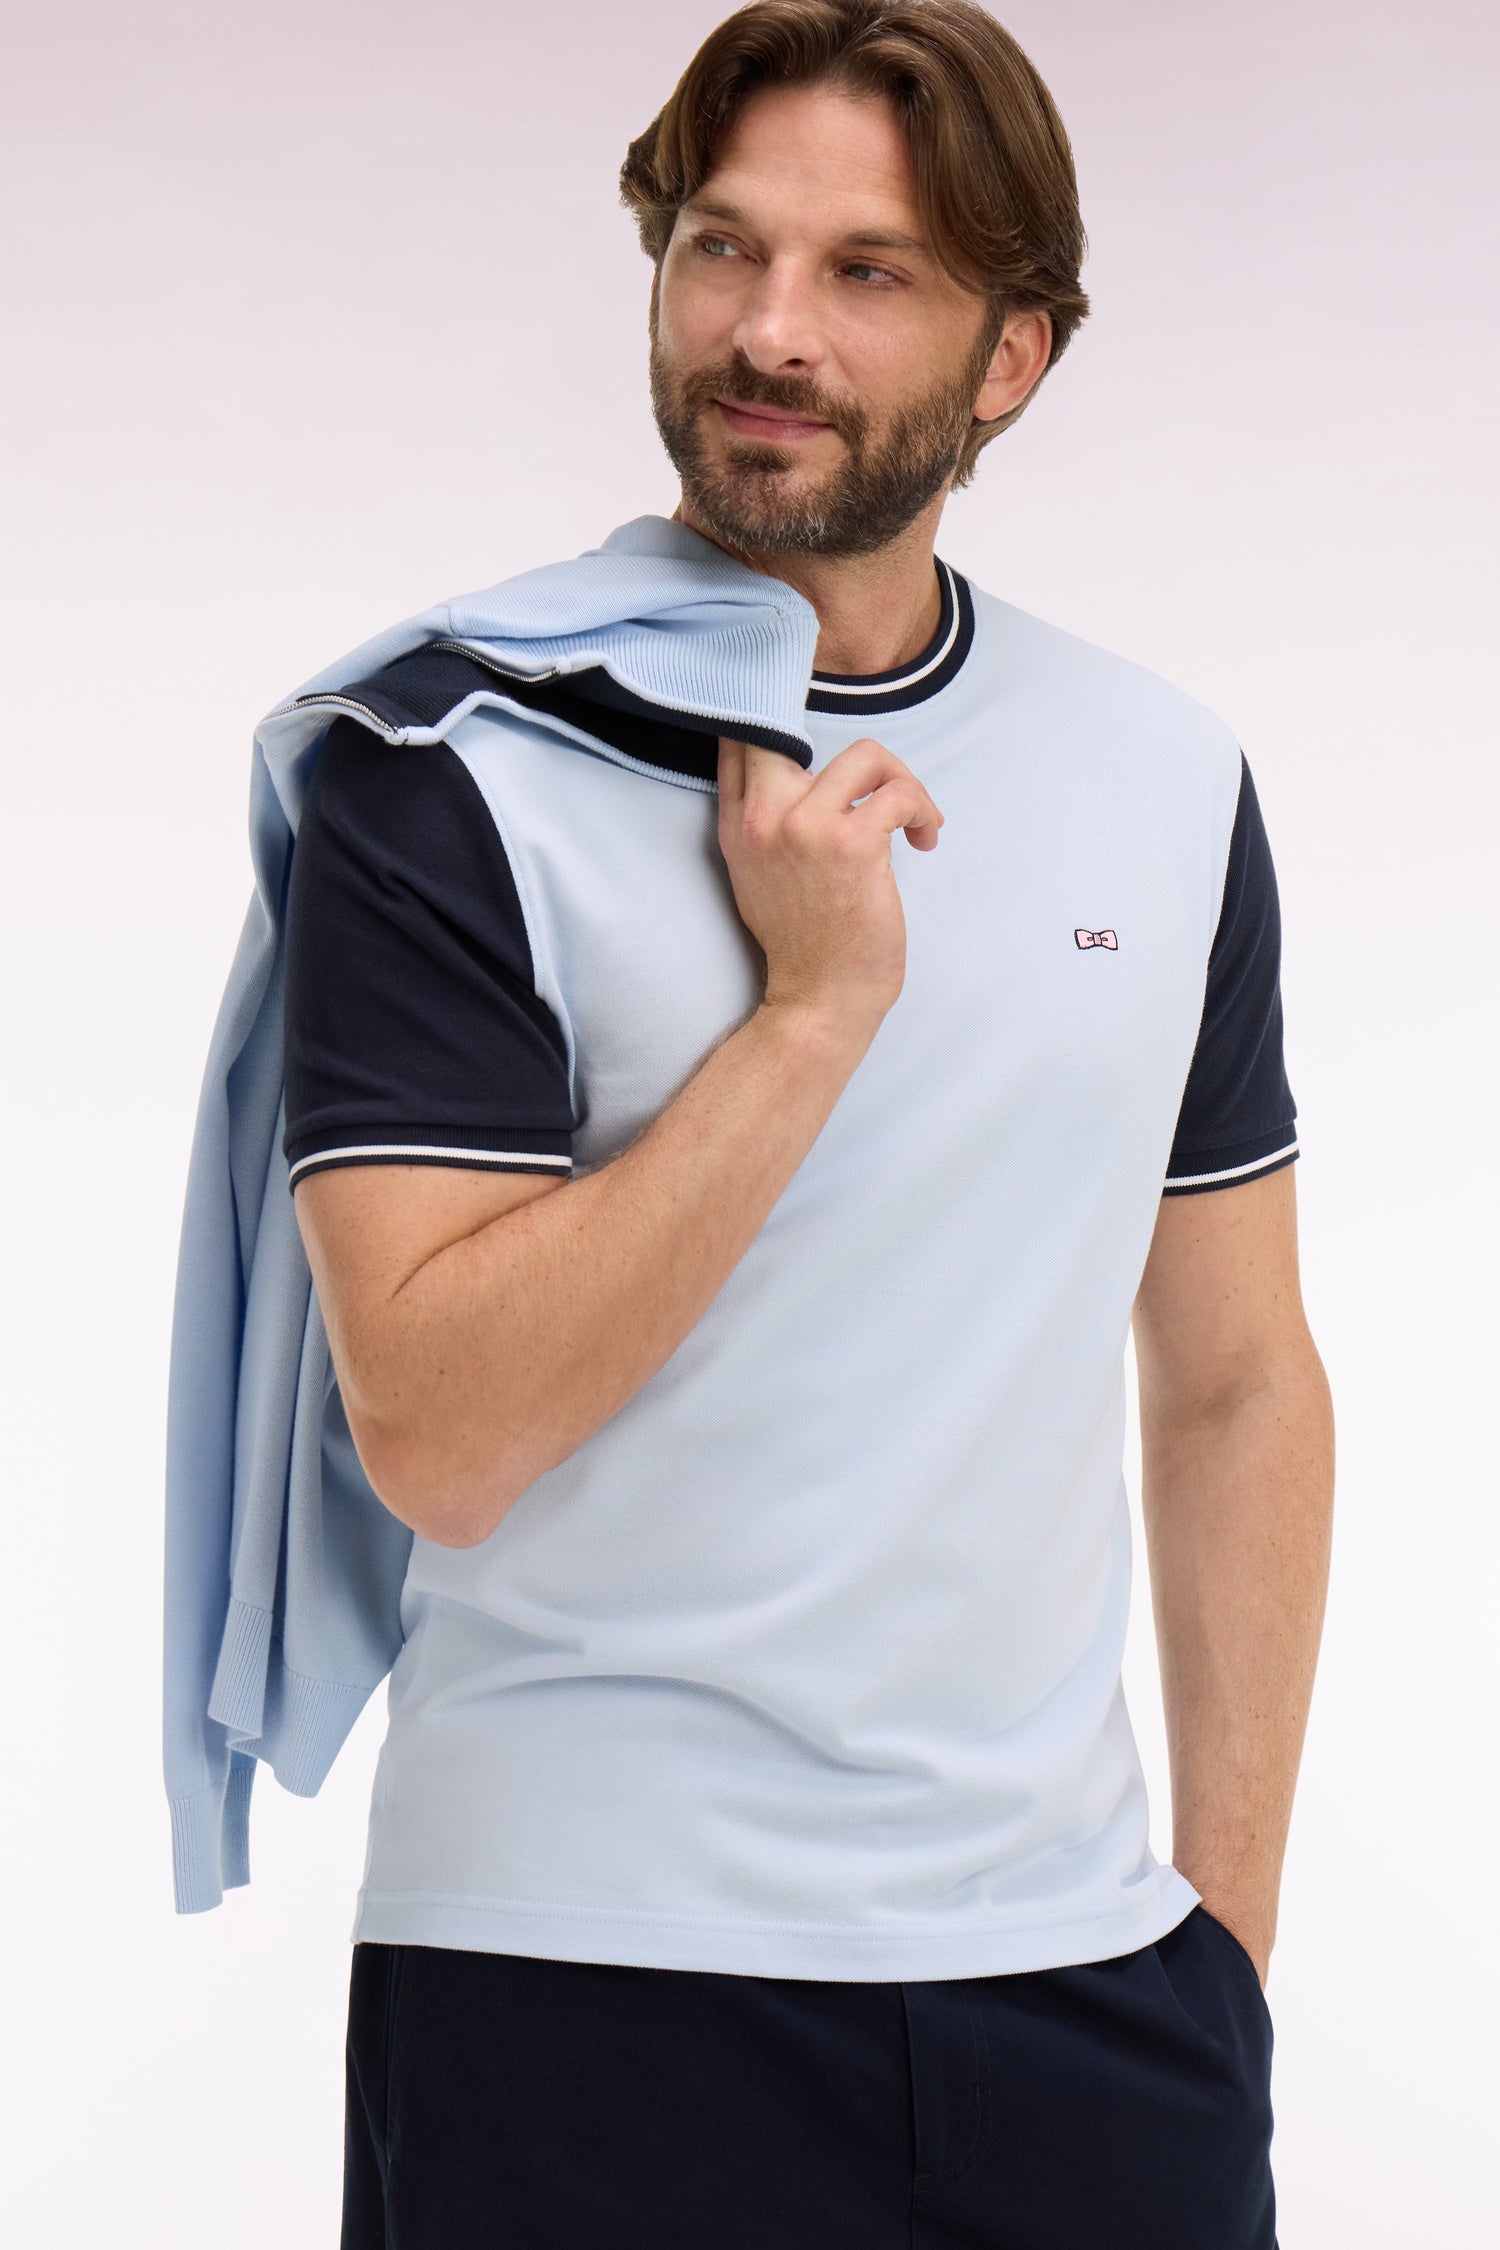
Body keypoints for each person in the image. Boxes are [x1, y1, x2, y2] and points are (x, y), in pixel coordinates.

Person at [284, 4, 1335, 2243]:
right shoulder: (448, 766)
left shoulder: (1164, 774)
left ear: (1012, 356)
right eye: (722, 248)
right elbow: (440, 1432)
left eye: (868, 272)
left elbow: (1238, 1378)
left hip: (1085, 2003)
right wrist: (812, 1015)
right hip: (575, 1993)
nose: (768, 331)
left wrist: (1221, 1955)